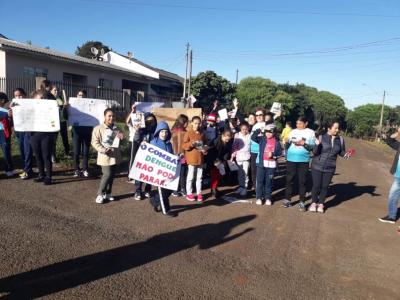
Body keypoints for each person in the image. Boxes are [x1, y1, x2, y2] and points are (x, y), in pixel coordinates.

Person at [309, 121, 347, 213]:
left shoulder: (340, 139)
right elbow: (315, 152)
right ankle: (314, 203)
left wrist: (346, 154)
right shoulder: (321, 137)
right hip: (317, 165)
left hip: (330, 167)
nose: (337, 130)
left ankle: (321, 204)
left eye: (338, 128)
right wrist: (317, 145)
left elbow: (341, 152)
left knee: (325, 187)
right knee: (316, 186)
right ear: (329, 128)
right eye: (335, 128)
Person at [283, 116, 316, 211]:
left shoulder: (310, 132)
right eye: (297, 123)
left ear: (306, 123)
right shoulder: (292, 131)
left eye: (300, 123)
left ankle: (302, 202)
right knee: (289, 180)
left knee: (302, 181)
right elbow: (287, 145)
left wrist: (304, 144)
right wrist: (286, 142)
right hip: (291, 159)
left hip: (303, 160)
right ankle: (287, 200)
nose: (298, 125)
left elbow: (312, 148)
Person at [91, 108, 123, 204]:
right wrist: (103, 150)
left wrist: (121, 138)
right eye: (109, 116)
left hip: (115, 156)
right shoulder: (98, 128)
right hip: (104, 156)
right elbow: (94, 142)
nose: (111, 118)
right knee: (107, 174)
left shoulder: (117, 129)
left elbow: (119, 143)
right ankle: (100, 194)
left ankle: (108, 193)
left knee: (112, 175)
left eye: (113, 116)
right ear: (104, 117)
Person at [149, 121, 177, 217]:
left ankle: (155, 200)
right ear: (158, 132)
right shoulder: (153, 143)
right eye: (162, 132)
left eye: (166, 132)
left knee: (169, 190)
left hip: (167, 172)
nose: (164, 134)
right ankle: (166, 210)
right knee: (162, 191)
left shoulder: (169, 144)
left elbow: (171, 155)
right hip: (158, 172)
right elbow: (148, 156)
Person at [251, 124, 282, 205]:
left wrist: (273, 155)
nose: (268, 133)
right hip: (261, 165)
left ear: (274, 133)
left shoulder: (277, 142)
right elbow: (253, 137)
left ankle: (268, 198)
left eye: (270, 132)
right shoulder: (262, 139)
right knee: (260, 181)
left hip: (271, 166)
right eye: (266, 132)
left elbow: (279, 153)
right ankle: (259, 197)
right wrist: (259, 130)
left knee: (269, 182)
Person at [29, 90, 54, 185]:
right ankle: (41, 174)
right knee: (38, 155)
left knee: (46, 156)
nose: (40, 101)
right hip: (34, 134)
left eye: (42, 98)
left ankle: (49, 176)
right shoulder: (31, 108)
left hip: (46, 135)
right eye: (37, 99)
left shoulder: (51, 107)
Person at [133, 112, 158, 200]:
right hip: (141, 156)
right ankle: (138, 191)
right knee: (139, 174)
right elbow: (136, 140)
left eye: (152, 121)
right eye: (148, 121)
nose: (150, 123)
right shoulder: (141, 130)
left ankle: (148, 190)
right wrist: (137, 131)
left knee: (149, 173)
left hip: (151, 156)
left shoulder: (155, 131)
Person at [183, 116, 207, 202]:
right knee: (190, 176)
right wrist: (191, 143)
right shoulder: (188, 133)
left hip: (200, 158)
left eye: (198, 123)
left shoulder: (202, 133)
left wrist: (205, 149)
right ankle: (189, 193)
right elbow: (184, 146)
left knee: (199, 177)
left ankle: (199, 193)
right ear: (192, 123)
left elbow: (205, 144)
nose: (197, 125)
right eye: (195, 123)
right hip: (191, 159)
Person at [379, 127, 400, 224]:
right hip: (398, 176)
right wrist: (397, 133)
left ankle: (392, 216)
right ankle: (392, 217)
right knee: (393, 195)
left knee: (393, 195)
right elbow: (388, 141)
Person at [70, 90, 93, 178]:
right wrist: (66, 108)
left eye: (83, 95)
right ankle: (76, 169)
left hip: (87, 131)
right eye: (79, 95)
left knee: (86, 152)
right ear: (77, 96)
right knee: (76, 152)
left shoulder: (90, 106)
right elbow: (67, 115)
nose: (81, 97)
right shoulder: (73, 106)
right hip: (76, 131)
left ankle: (85, 169)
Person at [12, 88, 33, 179]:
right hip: (18, 130)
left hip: (28, 130)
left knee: (27, 150)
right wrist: (10, 114)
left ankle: (27, 170)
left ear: (24, 95)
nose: (18, 97)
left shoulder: (30, 103)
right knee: (22, 150)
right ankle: (28, 169)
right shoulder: (13, 105)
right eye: (16, 95)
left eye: (20, 95)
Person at [207, 130, 233, 198]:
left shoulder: (227, 142)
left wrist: (225, 158)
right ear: (223, 136)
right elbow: (211, 152)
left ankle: (214, 189)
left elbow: (226, 152)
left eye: (228, 139)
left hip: (220, 160)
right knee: (215, 176)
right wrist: (215, 161)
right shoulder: (216, 141)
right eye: (226, 139)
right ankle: (213, 190)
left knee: (219, 175)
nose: (227, 141)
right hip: (214, 161)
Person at [49, 84, 69, 161]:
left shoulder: (60, 98)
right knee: (54, 139)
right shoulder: (50, 99)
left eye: (57, 90)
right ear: (51, 91)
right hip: (54, 122)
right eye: (55, 90)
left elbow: (63, 109)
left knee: (65, 138)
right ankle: (53, 155)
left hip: (62, 121)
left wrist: (65, 107)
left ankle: (67, 153)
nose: (56, 91)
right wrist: (61, 106)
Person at [231, 122, 251, 197]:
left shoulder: (250, 136)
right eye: (243, 129)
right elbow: (234, 147)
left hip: (246, 157)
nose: (244, 131)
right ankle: (241, 186)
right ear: (240, 129)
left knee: (245, 173)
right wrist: (233, 155)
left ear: (248, 129)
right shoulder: (237, 135)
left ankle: (245, 188)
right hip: (239, 157)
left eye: (246, 129)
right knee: (240, 174)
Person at [171, 114, 189, 197]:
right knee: (180, 173)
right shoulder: (180, 132)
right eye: (186, 122)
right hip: (180, 156)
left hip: (179, 156)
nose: (187, 124)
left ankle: (180, 189)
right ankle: (179, 189)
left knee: (180, 172)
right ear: (183, 122)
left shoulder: (175, 130)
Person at [249, 108, 266, 191]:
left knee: (262, 170)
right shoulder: (255, 125)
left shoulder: (267, 125)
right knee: (253, 170)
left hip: (262, 151)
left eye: (260, 115)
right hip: (253, 151)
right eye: (257, 115)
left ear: (264, 115)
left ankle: (262, 188)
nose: (258, 116)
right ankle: (256, 189)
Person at [0, 92, 14, 177]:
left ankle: (9, 169)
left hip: (4, 132)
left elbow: (11, 122)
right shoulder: (6, 112)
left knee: (6, 151)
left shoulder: (7, 111)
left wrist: (8, 116)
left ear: (2, 100)